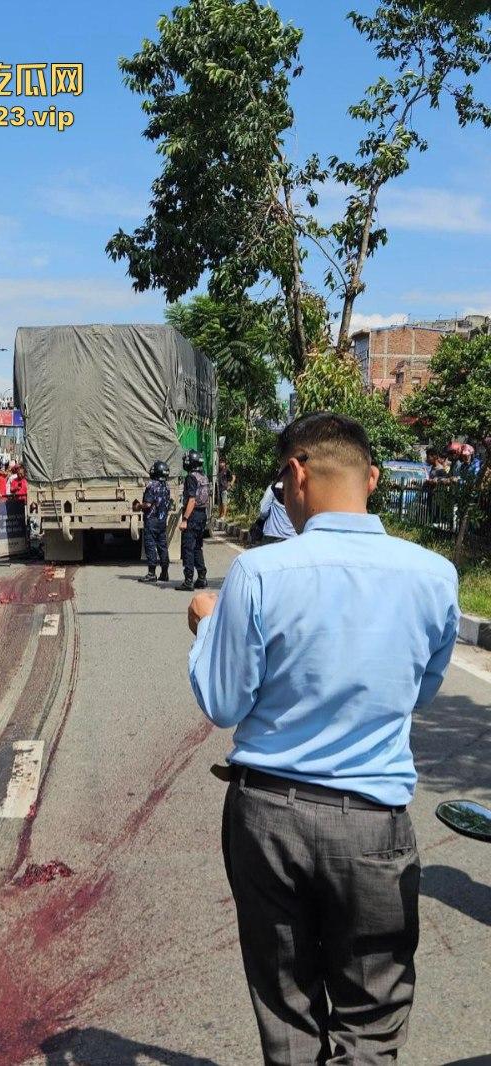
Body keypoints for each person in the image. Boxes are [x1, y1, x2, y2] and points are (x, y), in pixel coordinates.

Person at [187, 412, 459, 1065]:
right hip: (373, 822)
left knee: (287, 1008)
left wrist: (204, 626)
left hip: (268, 818)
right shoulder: (432, 575)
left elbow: (223, 703)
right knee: (371, 1018)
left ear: (296, 473)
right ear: (370, 477)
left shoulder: (258, 574)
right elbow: (417, 692)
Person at [176, 450, 209, 592]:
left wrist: (185, 519)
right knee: (197, 547)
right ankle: (201, 577)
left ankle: (188, 580)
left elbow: (191, 499)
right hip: (202, 515)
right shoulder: (203, 476)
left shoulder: (191, 477)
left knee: (188, 548)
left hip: (193, 515)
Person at [137, 460, 172, 584]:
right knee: (162, 545)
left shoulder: (152, 485)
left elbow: (147, 504)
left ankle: (152, 573)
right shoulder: (166, 486)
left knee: (150, 545)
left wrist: (138, 506)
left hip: (151, 520)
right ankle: (164, 572)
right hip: (162, 521)